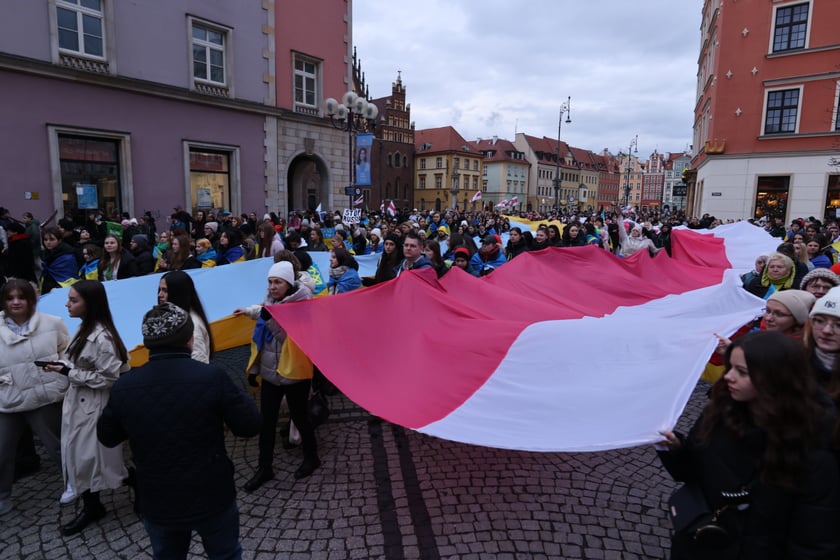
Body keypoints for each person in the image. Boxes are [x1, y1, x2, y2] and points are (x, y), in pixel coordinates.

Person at [97, 302, 259, 559]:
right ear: (188, 339)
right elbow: (249, 426)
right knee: (226, 554)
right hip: (211, 491)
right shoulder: (212, 377)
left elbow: (107, 436)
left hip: (158, 495)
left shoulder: (125, 386)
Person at [658, 331, 840, 559]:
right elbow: (692, 473)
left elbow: (814, 542)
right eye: (730, 367)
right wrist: (674, 448)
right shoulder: (718, 415)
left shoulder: (813, 455)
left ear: (776, 379)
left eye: (742, 372)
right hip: (699, 544)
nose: (728, 377)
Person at [44, 280, 129, 535]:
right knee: (80, 458)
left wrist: (71, 372)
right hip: (79, 403)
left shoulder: (103, 338)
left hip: (94, 406)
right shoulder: (83, 329)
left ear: (89, 304)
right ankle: (93, 505)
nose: (67, 304)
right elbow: (77, 363)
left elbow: (109, 378)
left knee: (96, 459)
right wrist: (62, 366)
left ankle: (133, 485)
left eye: (73, 300)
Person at [234, 261, 320, 491]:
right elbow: (262, 317)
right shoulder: (270, 301)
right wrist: (251, 311)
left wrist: (269, 319)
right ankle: (265, 466)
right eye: (270, 282)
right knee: (267, 422)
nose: (272, 287)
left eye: (277, 282)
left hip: (295, 373)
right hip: (272, 373)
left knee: (300, 417)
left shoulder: (302, 305)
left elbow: (292, 341)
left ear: (288, 283)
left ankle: (311, 457)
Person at [0, 279, 70, 516]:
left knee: (58, 446)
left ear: (31, 299)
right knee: (2, 449)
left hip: (45, 397)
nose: (16, 302)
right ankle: (2, 495)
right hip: (8, 398)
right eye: (10, 298)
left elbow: (66, 351)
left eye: (21, 297)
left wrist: (60, 369)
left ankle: (75, 484)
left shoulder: (53, 323)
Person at [157, 271, 214, 363]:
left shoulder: (193, 327)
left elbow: (199, 366)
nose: (160, 295)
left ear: (178, 294)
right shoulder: (175, 316)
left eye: (165, 290)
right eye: (160, 290)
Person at [41, 227, 80, 294]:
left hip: (61, 288)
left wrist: (59, 288)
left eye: (52, 239)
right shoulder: (46, 253)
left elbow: (71, 277)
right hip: (47, 284)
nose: (48, 242)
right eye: (45, 239)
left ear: (59, 240)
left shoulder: (68, 256)